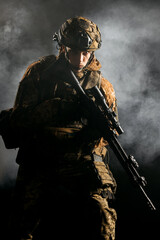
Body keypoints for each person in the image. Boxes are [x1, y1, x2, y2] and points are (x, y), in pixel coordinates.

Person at [0, 16, 118, 240]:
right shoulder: (40, 74)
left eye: (86, 53)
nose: (81, 58)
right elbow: (18, 122)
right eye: (75, 51)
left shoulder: (103, 88)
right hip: (42, 160)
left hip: (79, 163)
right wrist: (55, 109)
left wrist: (95, 132)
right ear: (63, 47)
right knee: (20, 225)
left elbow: (105, 138)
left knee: (103, 215)